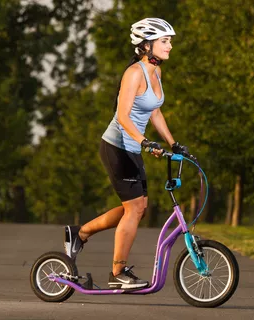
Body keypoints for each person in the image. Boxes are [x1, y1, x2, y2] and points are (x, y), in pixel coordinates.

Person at [63, 17, 188, 290]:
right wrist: (145, 142)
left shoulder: (156, 72)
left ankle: (81, 232)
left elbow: (154, 110)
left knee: (137, 208)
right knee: (134, 209)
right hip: (117, 147)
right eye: (164, 41)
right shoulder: (134, 73)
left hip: (133, 147)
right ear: (146, 45)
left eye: (169, 41)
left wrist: (172, 142)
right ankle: (117, 273)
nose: (170, 46)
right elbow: (122, 115)